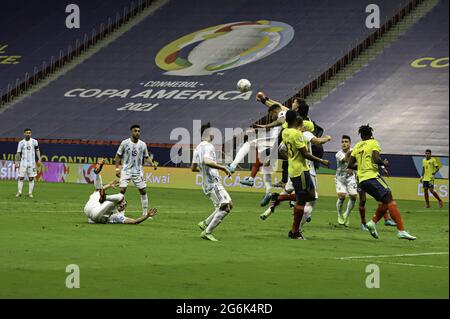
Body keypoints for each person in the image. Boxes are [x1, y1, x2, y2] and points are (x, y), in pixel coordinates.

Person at [348, 124, 416, 240]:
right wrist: (384, 163)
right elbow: (375, 158)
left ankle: (372, 222)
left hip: (362, 181)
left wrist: (361, 167)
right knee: (390, 198)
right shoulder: (373, 143)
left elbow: (350, 165)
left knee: (384, 202)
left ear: (361, 136)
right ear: (370, 134)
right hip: (372, 177)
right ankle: (401, 230)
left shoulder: (357, 146)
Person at [281, 111, 329, 240]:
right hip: (301, 170)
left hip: (296, 168)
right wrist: (321, 161)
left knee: (311, 196)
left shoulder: (285, 132)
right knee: (303, 201)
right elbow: (305, 154)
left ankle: (281, 198)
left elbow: (282, 150)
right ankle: (295, 231)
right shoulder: (297, 134)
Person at [192, 122, 233, 241]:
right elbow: (207, 161)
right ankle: (207, 232)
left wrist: (204, 172)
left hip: (207, 184)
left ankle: (205, 223)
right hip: (213, 183)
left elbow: (193, 168)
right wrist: (223, 167)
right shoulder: (208, 146)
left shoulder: (197, 148)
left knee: (229, 204)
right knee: (226, 207)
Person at [84, 159, 157, 224]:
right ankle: (97, 174)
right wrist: (109, 185)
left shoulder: (118, 215)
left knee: (120, 196)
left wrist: (147, 216)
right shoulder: (111, 206)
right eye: (124, 203)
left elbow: (134, 221)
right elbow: (99, 191)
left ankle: (104, 194)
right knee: (98, 191)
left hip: (96, 215)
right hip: (89, 208)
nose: (123, 204)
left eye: (123, 204)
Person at [114, 124, 158, 216]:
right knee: (122, 190)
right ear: (131, 132)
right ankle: (120, 212)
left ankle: (145, 213)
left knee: (143, 191)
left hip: (138, 172)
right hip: (126, 170)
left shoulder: (142, 144)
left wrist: (152, 164)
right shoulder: (125, 143)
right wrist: (117, 169)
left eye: (138, 131)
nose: (137, 133)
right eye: (135, 131)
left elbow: (146, 157)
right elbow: (118, 156)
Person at [335, 135, 358, 227]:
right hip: (340, 178)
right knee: (342, 196)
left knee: (353, 197)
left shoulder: (354, 152)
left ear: (350, 143)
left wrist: (352, 168)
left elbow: (357, 162)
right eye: (342, 142)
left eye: (346, 142)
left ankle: (346, 215)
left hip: (350, 177)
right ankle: (339, 215)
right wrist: (352, 152)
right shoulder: (338, 154)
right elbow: (345, 159)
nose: (344, 143)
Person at [15, 128, 41, 198]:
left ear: (31, 134)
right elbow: (18, 153)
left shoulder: (34, 141)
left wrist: (39, 158)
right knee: (21, 177)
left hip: (32, 164)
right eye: (27, 133)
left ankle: (30, 193)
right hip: (23, 163)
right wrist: (17, 162)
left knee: (31, 178)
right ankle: (19, 192)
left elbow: (37, 150)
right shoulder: (21, 143)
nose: (28, 134)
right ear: (24, 133)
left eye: (29, 133)